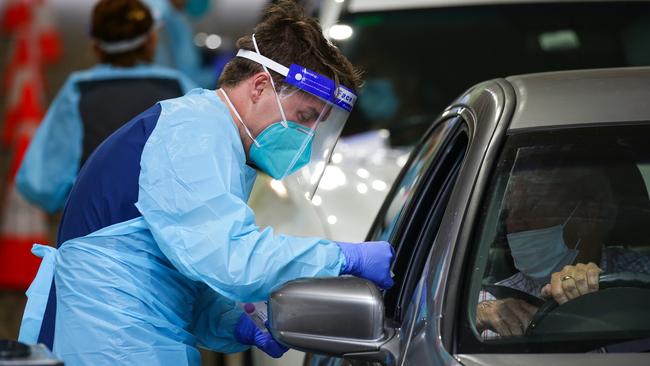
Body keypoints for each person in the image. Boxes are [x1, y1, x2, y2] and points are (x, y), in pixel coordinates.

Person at [17, 1, 394, 365]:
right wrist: (343, 257)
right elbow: (230, 259)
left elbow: (177, 272)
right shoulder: (192, 132)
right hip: (114, 342)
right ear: (261, 87)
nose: (308, 135)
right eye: (305, 116)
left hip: (128, 333)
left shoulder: (217, 137)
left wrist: (237, 324)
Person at [16, 0, 197, 214]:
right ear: (152, 40)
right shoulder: (179, 88)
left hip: (94, 231)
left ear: (95, 44)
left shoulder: (78, 90)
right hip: (164, 232)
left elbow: (42, 182)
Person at [476, 159, 650, 338]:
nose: (513, 222)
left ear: (587, 217)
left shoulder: (643, 273)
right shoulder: (493, 306)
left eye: (533, 207)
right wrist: (479, 320)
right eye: (510, 210)